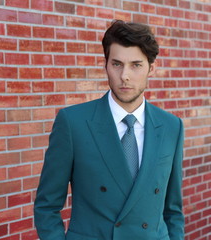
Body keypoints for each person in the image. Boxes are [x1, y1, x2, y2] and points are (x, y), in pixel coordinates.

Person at [34, 20, 184, 240]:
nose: (125, 75)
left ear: (152, 68)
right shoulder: (73, 122)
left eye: (136, 65)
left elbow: (173, 209)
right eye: (116, 64)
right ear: (105, 65)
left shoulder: (172, 126)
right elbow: (47, 206)